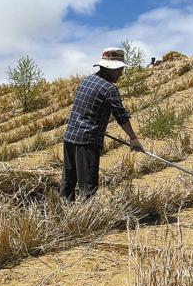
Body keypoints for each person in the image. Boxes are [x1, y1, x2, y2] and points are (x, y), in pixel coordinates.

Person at [62, 47, 145, 201]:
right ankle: (88, 219)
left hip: (69, 136)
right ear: (109, 69)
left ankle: (65, 213)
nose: (121, 72)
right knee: (88, 185)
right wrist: (133, 139)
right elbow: (121, 116)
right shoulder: (109, 88)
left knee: (69, 180)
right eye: (119, 69)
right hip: (87, 141)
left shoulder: (87, 81)